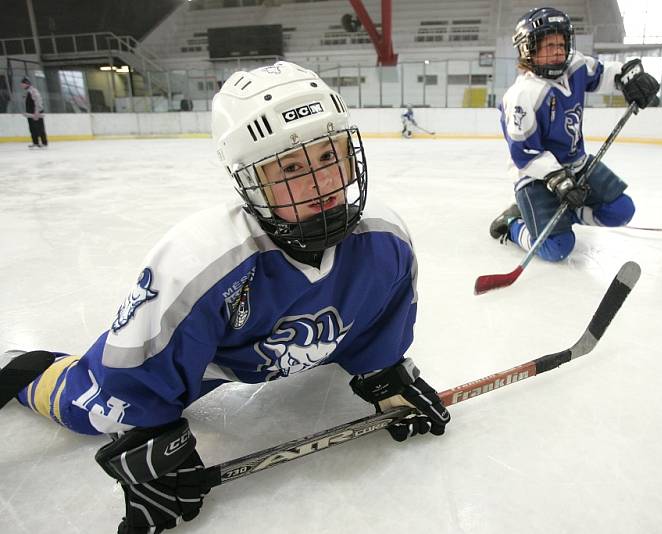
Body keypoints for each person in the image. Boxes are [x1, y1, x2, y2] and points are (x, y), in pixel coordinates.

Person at [0, 62, 450, 533]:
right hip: (219, 360)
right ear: (251, 179)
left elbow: (380, 322)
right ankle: (26, 368)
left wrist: (385, 375)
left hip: (305, 344)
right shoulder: (200, 261)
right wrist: (150, 442)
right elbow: (131, 377)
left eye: (327, 156)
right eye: (292, 167)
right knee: (87, 409)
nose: (319, 184)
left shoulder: (386, 238)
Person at [488, 7, 660, 262]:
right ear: (528, 49)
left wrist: (629, 78)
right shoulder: (521, 96)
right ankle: (513, 224)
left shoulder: (575, 65)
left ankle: (568, 214)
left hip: (577, 164)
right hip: (536, 177)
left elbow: (604, 73)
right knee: (556, 248)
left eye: (562, 43)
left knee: (622, 210)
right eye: (548, 45)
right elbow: (525, 154)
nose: (559, 50)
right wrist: (559, 181)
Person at [21, 76, 48, 148]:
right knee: (32, 128)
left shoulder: (33, 91)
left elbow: (38, 101)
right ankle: (35, 142)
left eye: (22, 84)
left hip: (36, 113)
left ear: (27, 84)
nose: (21, 85)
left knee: (39, 127)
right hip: (31, 114)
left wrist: (37, 112)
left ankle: (44, 143)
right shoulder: (28, 91)